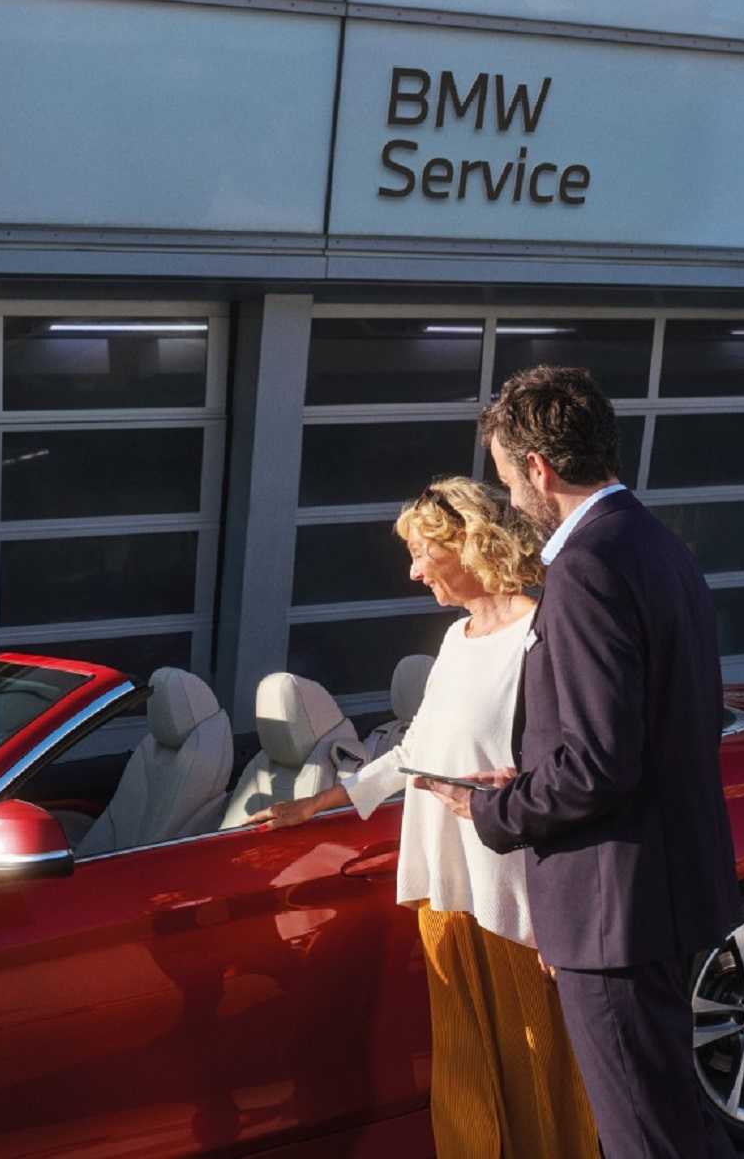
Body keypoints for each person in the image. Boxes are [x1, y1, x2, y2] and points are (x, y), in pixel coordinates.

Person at [418, 366, 742, 1159]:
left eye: (506, 476)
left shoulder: (587, 566)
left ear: (538, 468)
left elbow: (600, 763)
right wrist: (533, 778)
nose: (509, 493)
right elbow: (651, 727)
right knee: (676, 1119)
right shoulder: (657, 544)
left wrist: (494, 808)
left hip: (615, 909)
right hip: (666, 888)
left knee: (643, 1135)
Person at [248, 477, 598, 1159]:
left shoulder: (542, 634)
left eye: (420, 552)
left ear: (467, 543)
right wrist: (321, 801)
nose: (412, 572)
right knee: (464, 1072)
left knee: (539, 1068)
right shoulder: (457, 637)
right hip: (444, 885)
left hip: (514, 898)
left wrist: (568, 916)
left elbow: (573, 776)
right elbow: (420, 750)